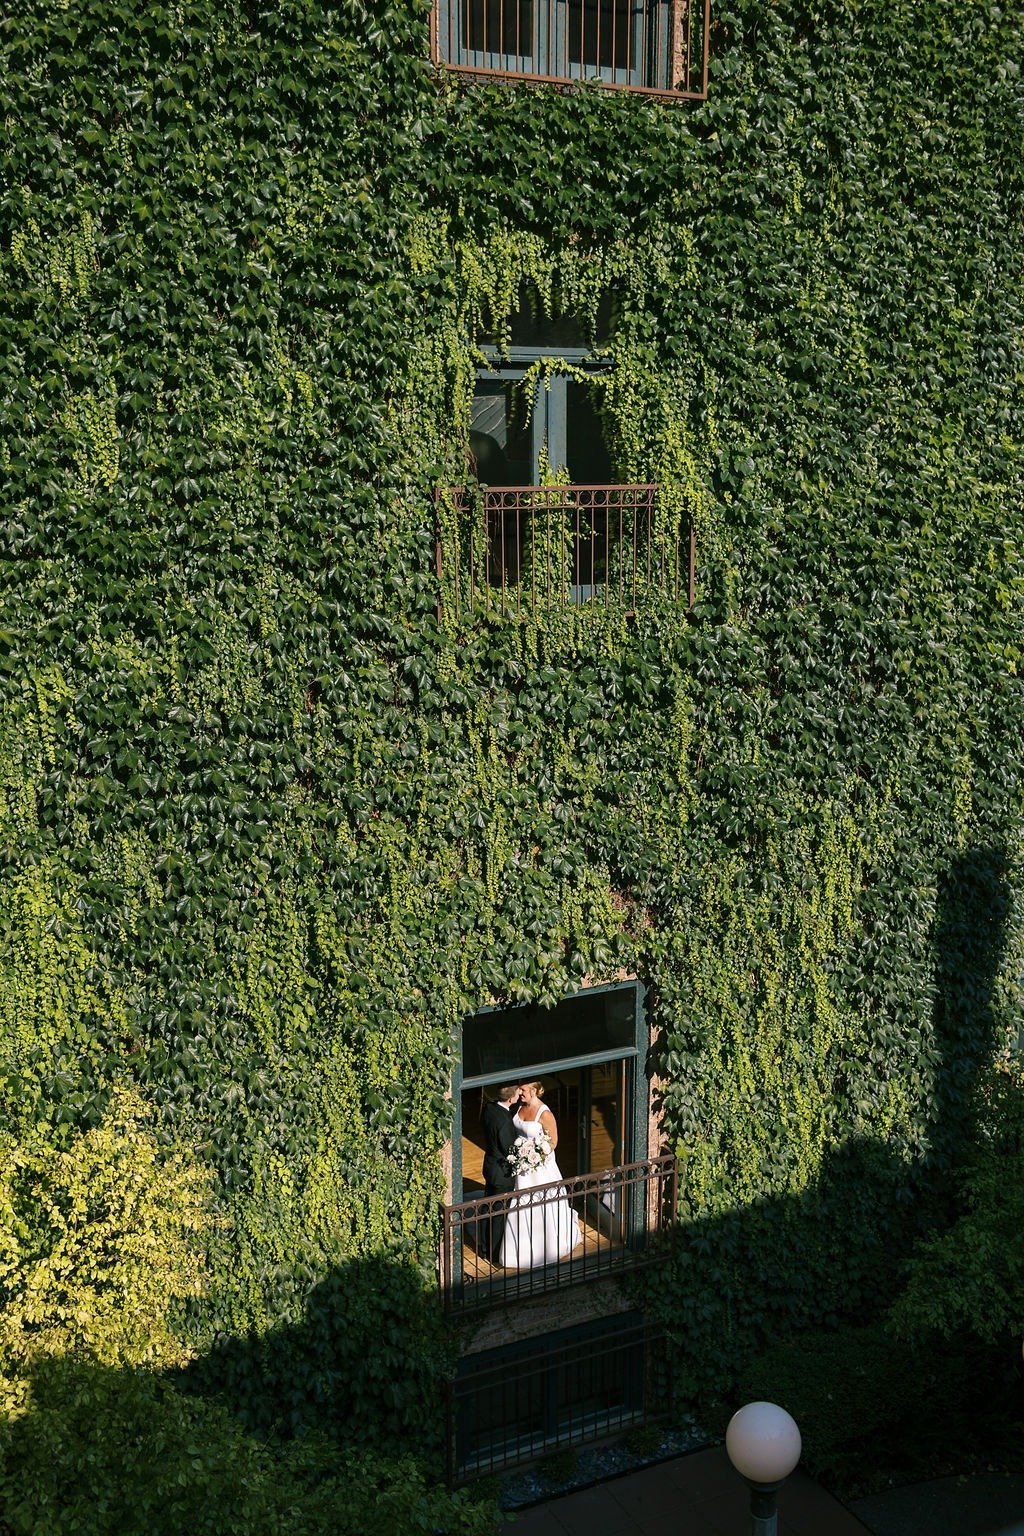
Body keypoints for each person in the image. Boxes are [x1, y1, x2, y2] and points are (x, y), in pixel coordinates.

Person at [497, 1081, 581, 1269]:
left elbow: (553, 1143)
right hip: (522, 1167)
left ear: (534, 1091)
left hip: (539, 1168)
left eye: (524, 1090)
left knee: (542, 1203)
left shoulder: (545, 1114)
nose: (520, 1094)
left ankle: (547, 1245)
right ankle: (518, 1250)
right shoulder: (519, 1107)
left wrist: (534, 1156)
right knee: (521, 1203)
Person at [478, 1084, 521, 1262]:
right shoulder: (504, 1121)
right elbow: (508, 1148)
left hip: (490, 1166)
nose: (519, 1096)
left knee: (489, 1208)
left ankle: (484, 1245)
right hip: (501, 1173)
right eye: (517, 1094)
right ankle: (493, 1252)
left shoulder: (490, 1108)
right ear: (510, 1099)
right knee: (498, 1214)